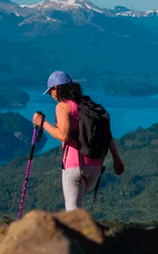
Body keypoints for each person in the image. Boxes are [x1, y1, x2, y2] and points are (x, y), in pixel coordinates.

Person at [33, 71, 125, 211]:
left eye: (50, 91)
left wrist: (43, 123)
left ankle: (78, 232)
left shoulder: (63, 106)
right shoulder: (88, 105)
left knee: (72, 209)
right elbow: (107, 134)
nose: (51, 96)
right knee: (78, 206)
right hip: (95, 165)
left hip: (74, 164)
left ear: (56, 89)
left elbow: (63, 136)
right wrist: (116, 158)